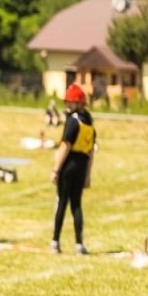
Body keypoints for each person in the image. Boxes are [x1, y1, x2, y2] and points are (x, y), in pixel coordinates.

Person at [50, 83, 96, 255]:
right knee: (77, 204)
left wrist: (55, 169)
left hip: (69, 165)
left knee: (62, 202)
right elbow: (91, 150)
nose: (68, 106)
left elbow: (65, 146)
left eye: (71, 102)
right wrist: (88, 175)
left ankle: (55, 241)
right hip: (82, 164)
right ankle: (79, 244)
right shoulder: (89, 122)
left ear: (79, 103)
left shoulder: (73, 121)